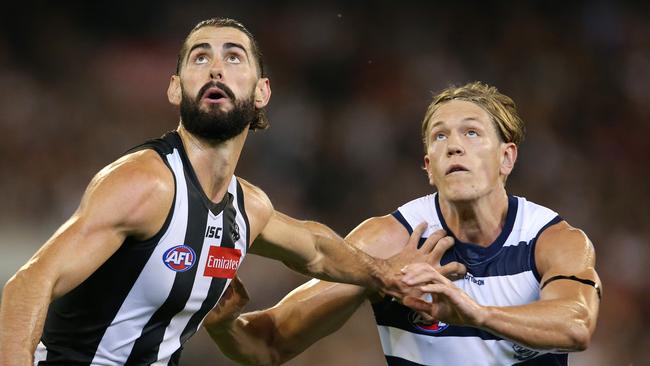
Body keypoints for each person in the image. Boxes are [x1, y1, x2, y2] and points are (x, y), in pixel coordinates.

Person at [0, 18, 464, 366]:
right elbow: (27, 285)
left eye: (233, 57)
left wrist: (387, 274)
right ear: (175, 89)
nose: (216, 67)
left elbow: (319, 251)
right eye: (200, 57)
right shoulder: (146, 183)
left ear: (261, 92)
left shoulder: (248, 208)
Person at [206, 82, 602, 366]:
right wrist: (224, 327)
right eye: (439, 136)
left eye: (472, 132)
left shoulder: (552, 240)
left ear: (507, 158)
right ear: (429, 166)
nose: (455, 145)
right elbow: (270, 345)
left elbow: (577, 326)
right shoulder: (387, 244)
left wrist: (473, 314)